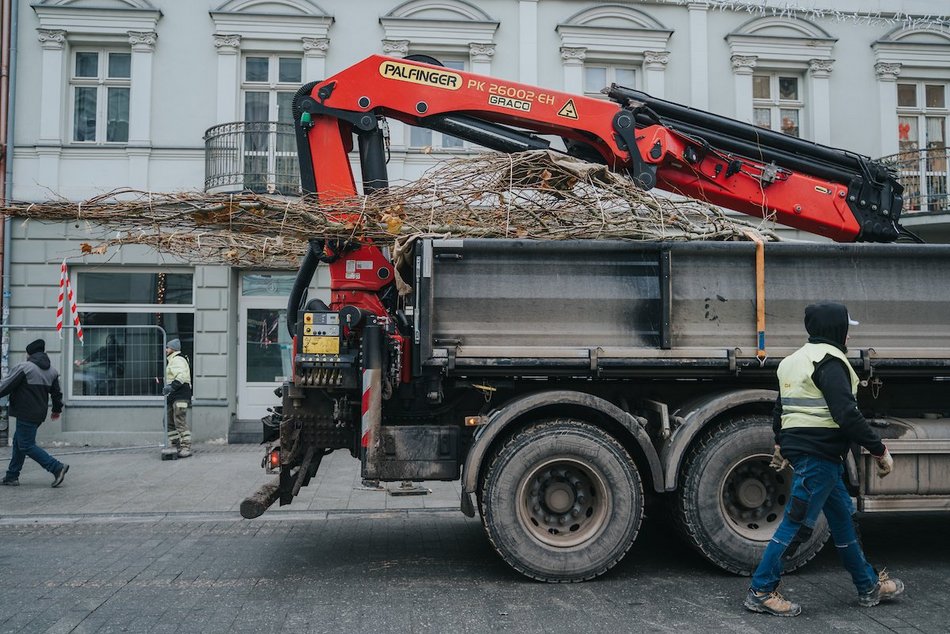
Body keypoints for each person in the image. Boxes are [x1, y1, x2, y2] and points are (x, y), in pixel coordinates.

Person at [744, 302, 903, 617]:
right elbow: (847, 414)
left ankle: (867, 585)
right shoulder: (831, 362)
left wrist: (780, 442)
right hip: (819, 456)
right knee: (797, 525)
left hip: (817, 457)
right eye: (846, 328)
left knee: (843, 520)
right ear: (837, 329)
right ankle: (761, 590)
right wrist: (879, 448)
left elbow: (781, 408)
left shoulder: (792, 361)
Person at [1, 339, 68, 487]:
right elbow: (57, 395)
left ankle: (56, 467)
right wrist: (56, 410)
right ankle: (12, 476)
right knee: (19, 442)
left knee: (26, 445)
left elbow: (5, 386)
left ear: (29, 353)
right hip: (39, 414)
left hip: (25, 412)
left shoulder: (25, 367)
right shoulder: (52, 371)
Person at [163, 338, 193, 458]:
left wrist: (171, 387)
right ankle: (176, 444)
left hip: (180, 395)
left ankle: (186, 447)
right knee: (169, 421)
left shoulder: (177, 360)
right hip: (174, 396)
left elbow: (180, 376)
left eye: (167, 348)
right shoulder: (173, 360)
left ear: (173, 349)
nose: (166, 350)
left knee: (179, 421)